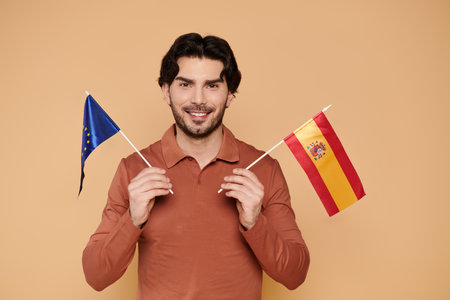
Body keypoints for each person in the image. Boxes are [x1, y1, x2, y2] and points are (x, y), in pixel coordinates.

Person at [82, 32, 310, 300]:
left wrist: (254, 223)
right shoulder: (134, 169)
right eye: (186, 84)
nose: (198, 99)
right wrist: (132, 220)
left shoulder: (263, 169)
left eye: (212, 86)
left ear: (230, 95)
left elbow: (295, 275)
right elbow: (96, 276)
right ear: (167, 91)